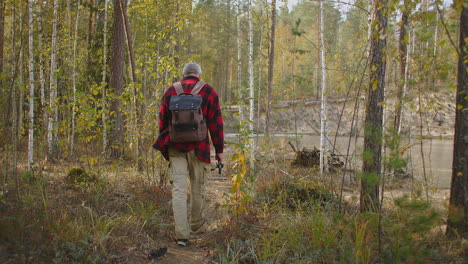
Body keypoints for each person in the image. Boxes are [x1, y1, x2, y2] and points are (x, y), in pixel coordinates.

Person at [153, 62, 224, 247]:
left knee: (178, 189)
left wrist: (165, 145)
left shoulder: (171, 90)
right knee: (197, 186)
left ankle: (182, 235)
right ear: (199, 74)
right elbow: (216, 123)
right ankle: (195, 225)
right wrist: (219, 151)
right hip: (199, 147)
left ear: (183, 74)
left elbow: (162, 121)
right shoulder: (208, 91)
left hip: (175, 146)